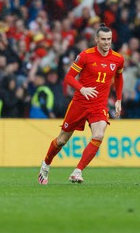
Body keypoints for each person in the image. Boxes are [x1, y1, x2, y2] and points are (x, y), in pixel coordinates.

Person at [37, 23, 124, 185]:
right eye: (103, 39)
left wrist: (118, 99)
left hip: (99, 105)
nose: (107, 42)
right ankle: (46, 165)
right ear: (96, 39)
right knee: (62, 140)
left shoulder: (118, 59)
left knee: (98, 135)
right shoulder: (85, 55)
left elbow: (119, 77)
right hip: (80, 103)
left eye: (109, 39)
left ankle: (77, 171)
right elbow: (69, 77)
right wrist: (82, 89)